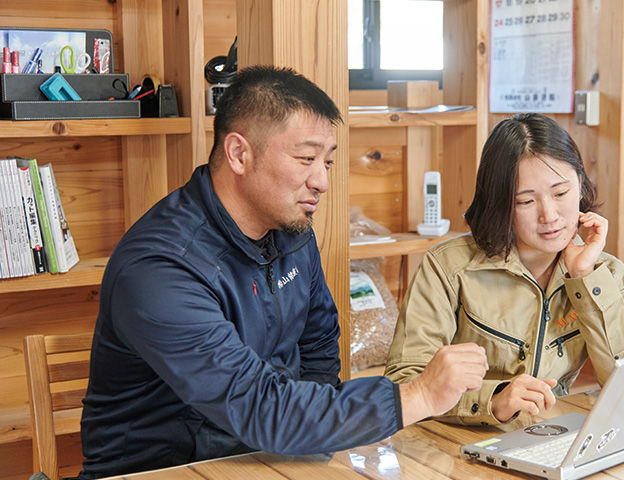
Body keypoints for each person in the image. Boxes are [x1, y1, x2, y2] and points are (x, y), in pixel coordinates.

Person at [79, 65, 489, 479]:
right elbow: (254, 403)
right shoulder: (161, 266)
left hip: (269, 457)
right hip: (162, 469)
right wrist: (416, 396)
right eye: (306, 159)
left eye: (327, 162)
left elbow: (319, 346)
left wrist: (315, 451)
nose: (322, 181)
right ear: (240, 153)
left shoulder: (289, 230)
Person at [385, 113, 624, 426]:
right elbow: (405, 384)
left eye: (561, 193)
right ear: (499, 203)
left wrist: (585, 279)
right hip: (459, 446)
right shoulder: (448, 267)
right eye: (526, 201)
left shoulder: (609, 275)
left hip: (551, 438)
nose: (550, 215)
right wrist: (494, 400)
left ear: (580, 185)